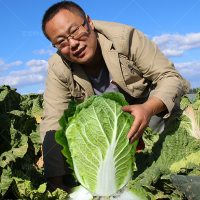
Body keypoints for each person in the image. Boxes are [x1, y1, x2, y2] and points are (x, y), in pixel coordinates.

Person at [40, 1, 190, 192]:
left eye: (75, 31)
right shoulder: (58, 68)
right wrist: (55, 181)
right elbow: (53, 119)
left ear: (89, 22)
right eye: (61, 41)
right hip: (110, 129)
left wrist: (148, 109)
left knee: (155, 122)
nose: (73, 43)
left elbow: (169, 76)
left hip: (145, 107)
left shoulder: (125, 37)